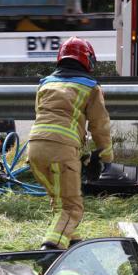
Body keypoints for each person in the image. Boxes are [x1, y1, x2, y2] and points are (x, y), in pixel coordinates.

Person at [28, 36, 112, 250]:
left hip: (35, 150)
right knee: (72, 208)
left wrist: (81, 155)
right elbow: (99, 125)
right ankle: (51, 250)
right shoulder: (91, 87)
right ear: (88, 60)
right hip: (61, 152)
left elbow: (44, 116)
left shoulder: (45, 84)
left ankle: (72, 245)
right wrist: (105, 158)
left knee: (61, 203)